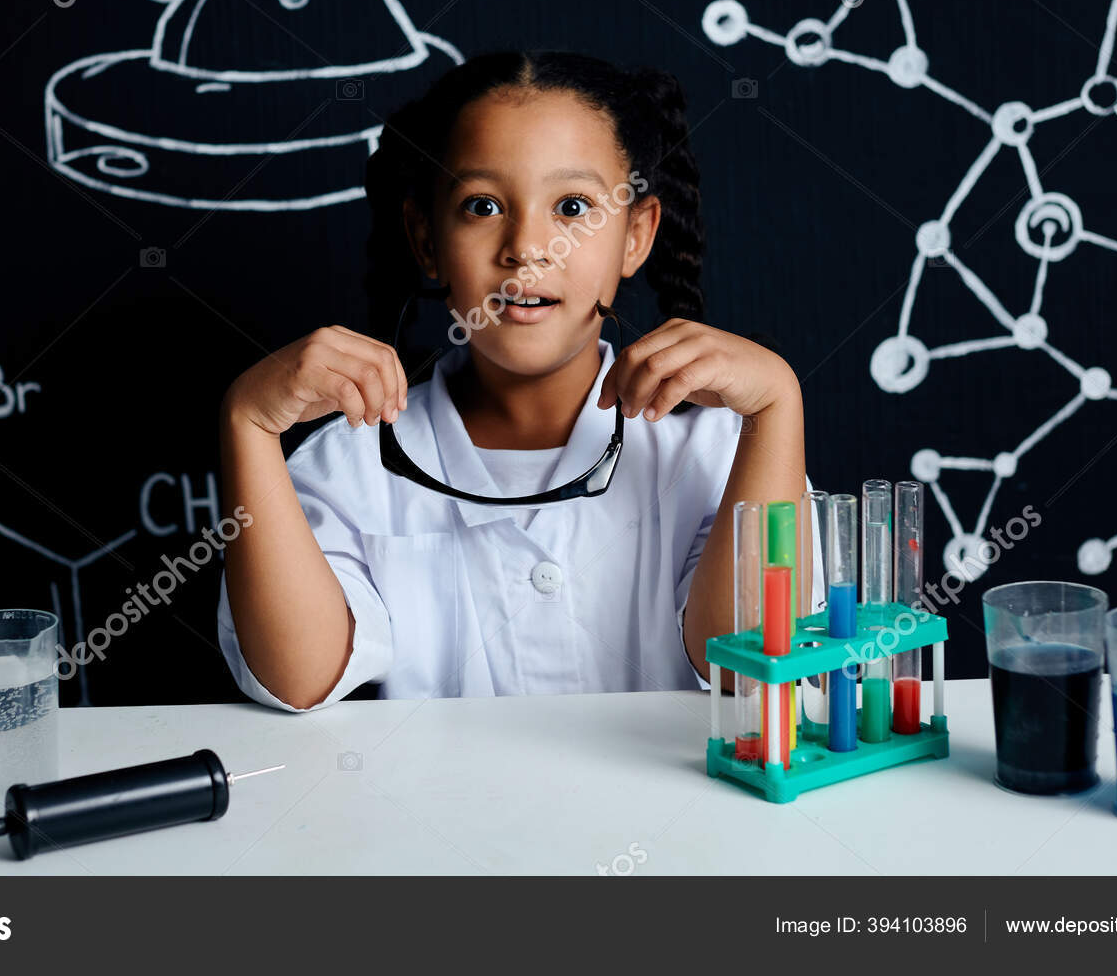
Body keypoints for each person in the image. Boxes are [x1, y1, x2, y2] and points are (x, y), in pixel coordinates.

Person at [218, 50, 810, 711]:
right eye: (481, 205)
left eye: (573, 205)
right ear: (425, 238)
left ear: (637, 235)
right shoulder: (349, 461)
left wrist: (778, 407)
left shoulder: (715, 452)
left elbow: (757, 666)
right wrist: (247, 423)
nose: (528, 246)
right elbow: (299, 679)